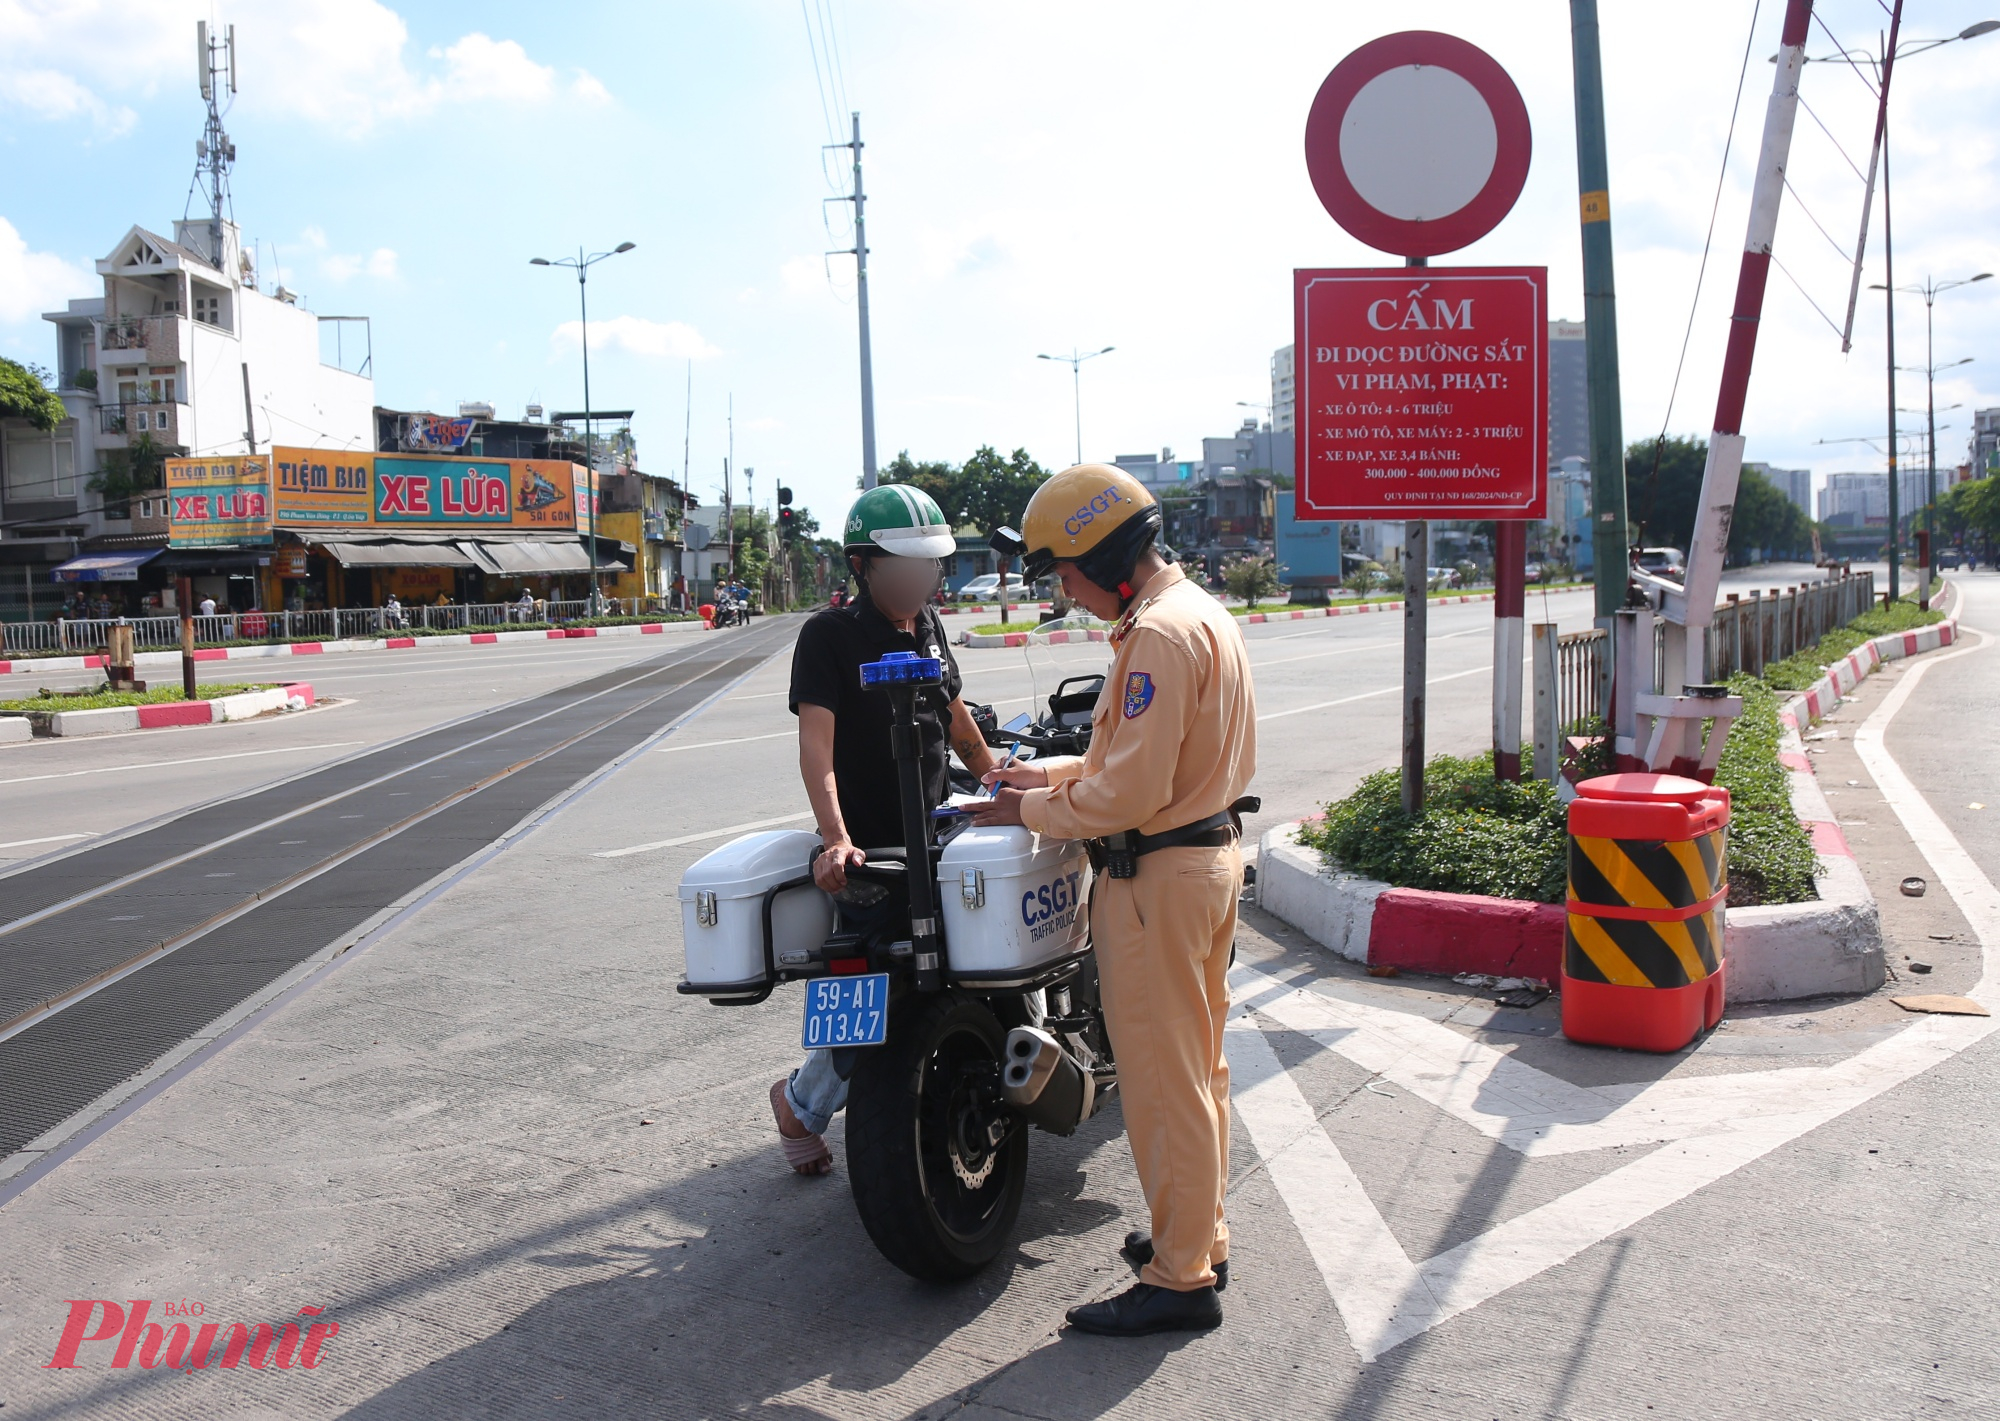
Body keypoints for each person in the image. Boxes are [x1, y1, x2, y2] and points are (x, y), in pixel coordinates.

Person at [974, 463, 1256, 1338]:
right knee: (1197, 1071)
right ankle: (1197, 1237)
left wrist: (1028, 805)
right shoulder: (1197, 613)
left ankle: (1178, 1280)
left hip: (1154, 883)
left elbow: (1129, 794)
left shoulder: (1157, 640)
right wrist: (1049, 773)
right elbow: (1139, 764)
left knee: (1162, 1085)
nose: (1066, 590)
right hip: (1202, 863)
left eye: (1063, 571)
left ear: (1101, 557)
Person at [772, 484, 1000, 1175]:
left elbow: (957, 723)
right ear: (863, 565)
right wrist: (836, 838)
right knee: (872, 991)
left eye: (930, 567)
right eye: (906, 567)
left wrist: (996, 778)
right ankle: (800, 1103)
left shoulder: (926, 625)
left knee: (973, 965)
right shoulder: (829, 637)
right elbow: (817, 749)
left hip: (936, 834)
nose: (921, 580)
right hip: (869, 853)